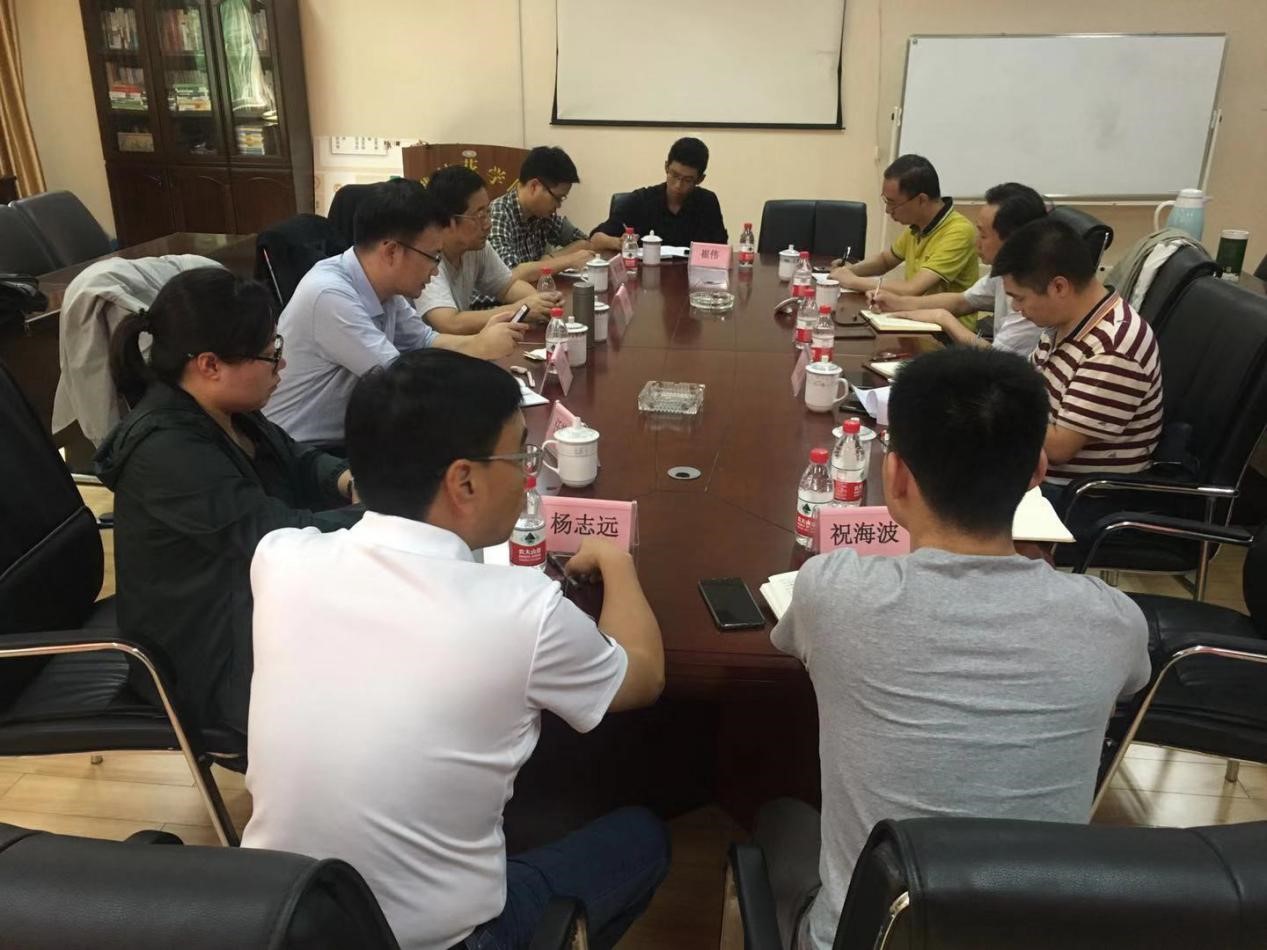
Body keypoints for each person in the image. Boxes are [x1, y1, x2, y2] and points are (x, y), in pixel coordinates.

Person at [242, 348, 670, 950]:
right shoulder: (523, 612)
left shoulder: (280, 558)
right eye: (521, 456)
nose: (527, 474)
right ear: (464, 480)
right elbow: (643, 676)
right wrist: (617, 563)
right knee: (643, 837)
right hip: (440, 942)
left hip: (278, 921)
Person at [754, 346, 1151, 950]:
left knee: (779, 815)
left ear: (896, 476)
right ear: (1036, 472)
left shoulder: (832, 592)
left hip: (867, 938)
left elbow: (795, 646)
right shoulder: (1113, 620)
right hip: (1035, 937)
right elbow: (1130, 681)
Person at [94, 268, 361, 738]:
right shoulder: (166, 452)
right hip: (201, 659)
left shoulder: (225, 411)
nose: (281, 365)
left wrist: (347, 480)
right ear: (210, 365)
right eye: (270, 354)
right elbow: (275, 534)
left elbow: (296, 459)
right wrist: (386, 512)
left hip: (242, 607)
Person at [264, 179, 527, 447]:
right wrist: (479, 353)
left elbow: (425, 341)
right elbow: (397, 384)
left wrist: (479, 343)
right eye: (433, 256)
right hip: (305, 450)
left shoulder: (385, 287)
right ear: (392, 251)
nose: (435, 270)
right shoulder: (329, 294)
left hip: (356, 435)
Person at [991, 217, 1163, 488]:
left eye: (1019, 298)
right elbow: (1027, 388)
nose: (1015, 308)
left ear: (1059, 287)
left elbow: (1059, 448)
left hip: (1076, 495)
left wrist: (994, 408)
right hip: (1036, 469)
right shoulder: (1063, 321)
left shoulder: (1113, 347)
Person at [868, 182, 1048, 356]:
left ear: (1013, 240)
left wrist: (943, 318)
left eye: (983, 235)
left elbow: (1001, 361)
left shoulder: (1037, 292)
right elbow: (962, 301)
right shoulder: (1007, 272)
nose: (976, 242)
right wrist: (898, 303)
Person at [830, 154, 979, 325]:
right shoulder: (917, 226)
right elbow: (885, 260)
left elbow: (912, 289)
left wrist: (853, 281)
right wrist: (849, 271)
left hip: (946, 330)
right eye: (886, 201)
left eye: (892, 203)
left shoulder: (958, 231)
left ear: (921, 200)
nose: (888, 210)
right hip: (914, 318)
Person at [417, 166, 564, 332]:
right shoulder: (426, 256)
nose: (488, 224)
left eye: (488, 212)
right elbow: (449, 322)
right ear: (450, 221)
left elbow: (508, 287)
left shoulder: (477, 247)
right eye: (480, 216)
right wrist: (520, 309)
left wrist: (541, 301)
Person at [487, 145, 622, 283]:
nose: (559, 205)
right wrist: (568, 260)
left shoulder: (543, 216)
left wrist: (549, 259)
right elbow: (510, 274)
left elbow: (583, 242)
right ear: (534, 186)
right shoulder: (498, 214)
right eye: (557, 198)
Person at [589, 137, 728, 247]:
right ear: (666, 167)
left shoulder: (707, 202)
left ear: (700, 179)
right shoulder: (641, 200)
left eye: (687, 180)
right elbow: (595, 239)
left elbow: (721, 249)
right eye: (674, 175)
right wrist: (619, 243)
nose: (678, 185)